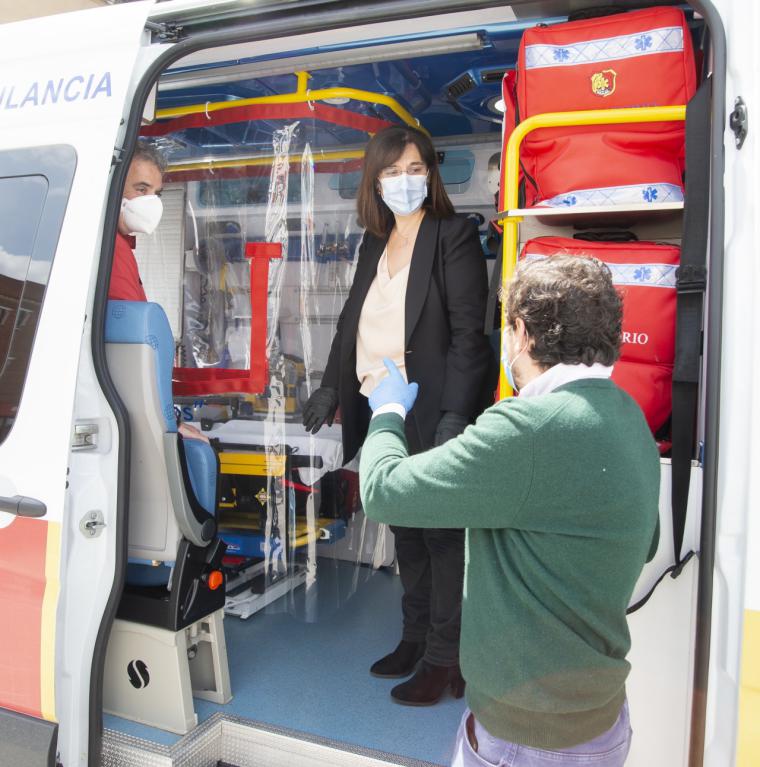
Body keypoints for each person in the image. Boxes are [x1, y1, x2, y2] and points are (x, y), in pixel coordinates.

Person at [360, 255, 660, 766]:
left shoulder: (527, 429)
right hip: (601, 722)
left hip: (528, 736)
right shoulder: (626, 413)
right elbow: (645, 540)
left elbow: (384, 490)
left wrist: (387, 412)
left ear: (521, 334)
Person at [302, 125, 494, 705]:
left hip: (434, 411)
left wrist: (455, 416)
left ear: (431, 175)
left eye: (416, 169)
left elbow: (469, 338)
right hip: (382, 407)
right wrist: (328, 390)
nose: (405, 181)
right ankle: (414, 639)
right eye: (392, 171)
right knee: (405, 532)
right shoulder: (372, 244)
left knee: (440, 535)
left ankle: (446, 659)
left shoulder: (452, 236)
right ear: (374, 181)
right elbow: (349, 325)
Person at [108, 140, 207, 444]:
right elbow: (133, 348)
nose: (152, 202)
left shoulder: (121, 246)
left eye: (157, 193)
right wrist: (167, 423)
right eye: (141, 189)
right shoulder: (110, 251)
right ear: (113, 189)